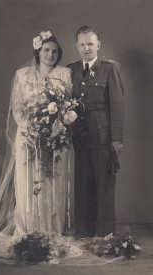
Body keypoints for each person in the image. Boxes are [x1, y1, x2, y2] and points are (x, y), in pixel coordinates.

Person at [0, 31, 74, 249]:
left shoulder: (65, 74)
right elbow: (18, 108)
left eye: (54, 51)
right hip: (28, 138)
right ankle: (28, 229)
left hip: (55, 139)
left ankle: (51, 230)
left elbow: (68, 105)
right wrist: (35, 128)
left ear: (59, 55)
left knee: (52, 181)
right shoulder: (22, 75)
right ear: (37, 52)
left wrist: (53, 128)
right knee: (29, 183)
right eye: (46, 50)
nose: (50, 55)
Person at [67, 26, 124, 237]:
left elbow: (117, 105)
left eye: (90, 43)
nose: (86, 48)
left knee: (104, 188)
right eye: (81, 44)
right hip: (80, 137)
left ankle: (105, 234)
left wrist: (117, 139)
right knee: (83, 186)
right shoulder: (71, 70)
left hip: (103, 137)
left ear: (98, 44)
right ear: (77, 46)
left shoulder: (110, 68)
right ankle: (83, 233)